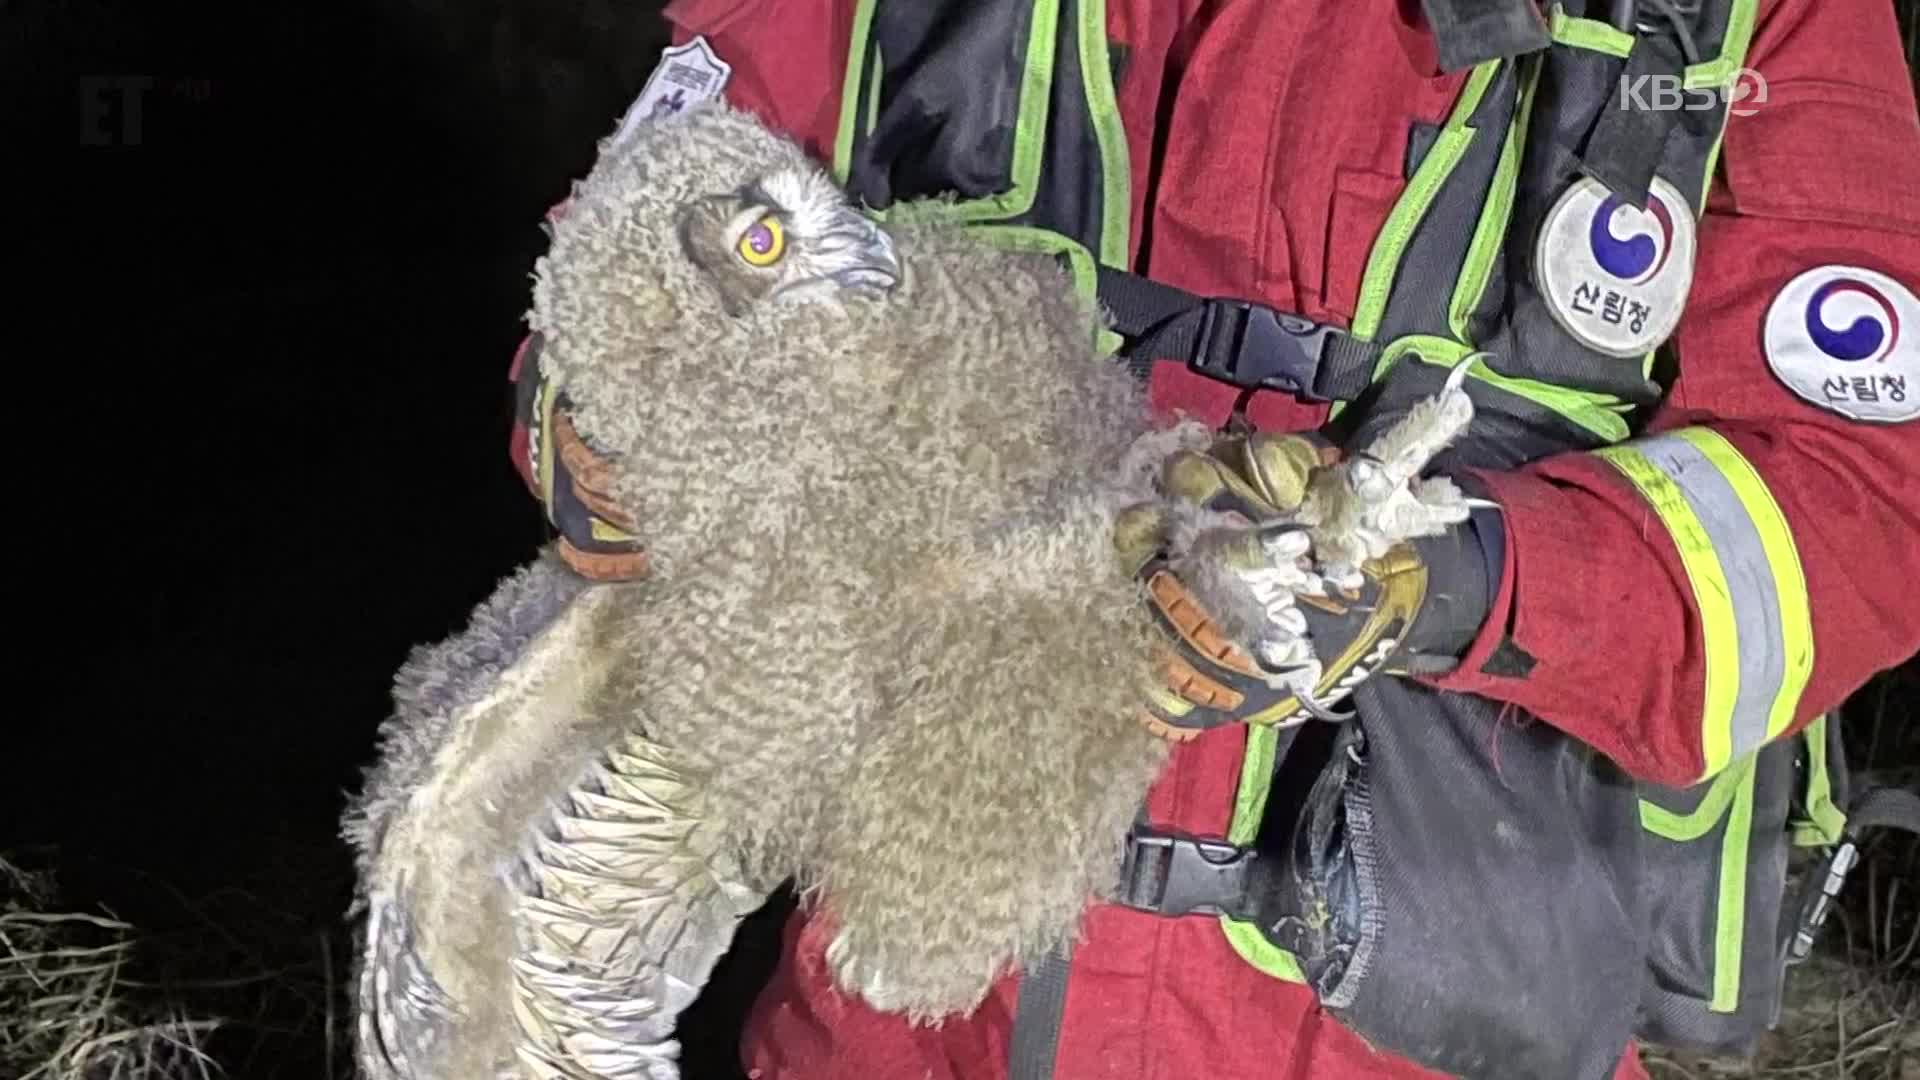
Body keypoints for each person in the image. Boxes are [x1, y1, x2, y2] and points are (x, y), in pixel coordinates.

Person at [507, 0, 1920, 1076]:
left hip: (1418, 1018)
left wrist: (1437, 577)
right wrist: (605, 416)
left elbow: (1858, 497)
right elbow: (649, 230)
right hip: (899, 1009)